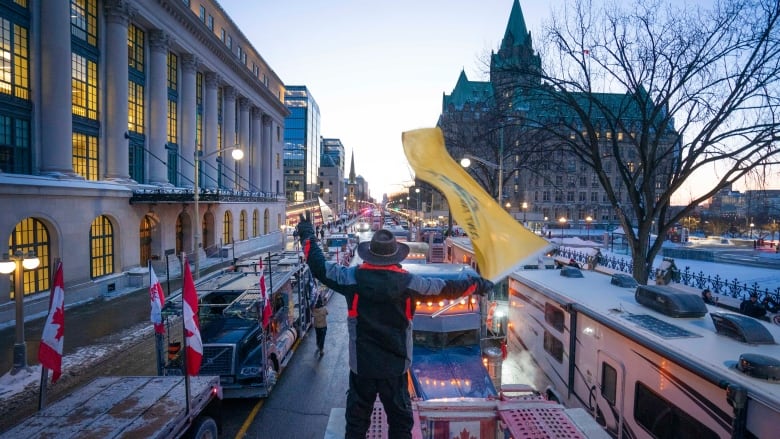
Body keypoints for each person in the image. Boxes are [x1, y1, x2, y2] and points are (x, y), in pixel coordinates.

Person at [296, 212, 494, 439]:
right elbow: (446, 288)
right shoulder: (409, 283)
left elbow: (320, 267)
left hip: (363, 368)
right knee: (400, 425)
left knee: (356, 424)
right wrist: (477, 284)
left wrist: (308, 234)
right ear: (394, 257)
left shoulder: (352, 278)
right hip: (396, 367)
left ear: (370, 255)